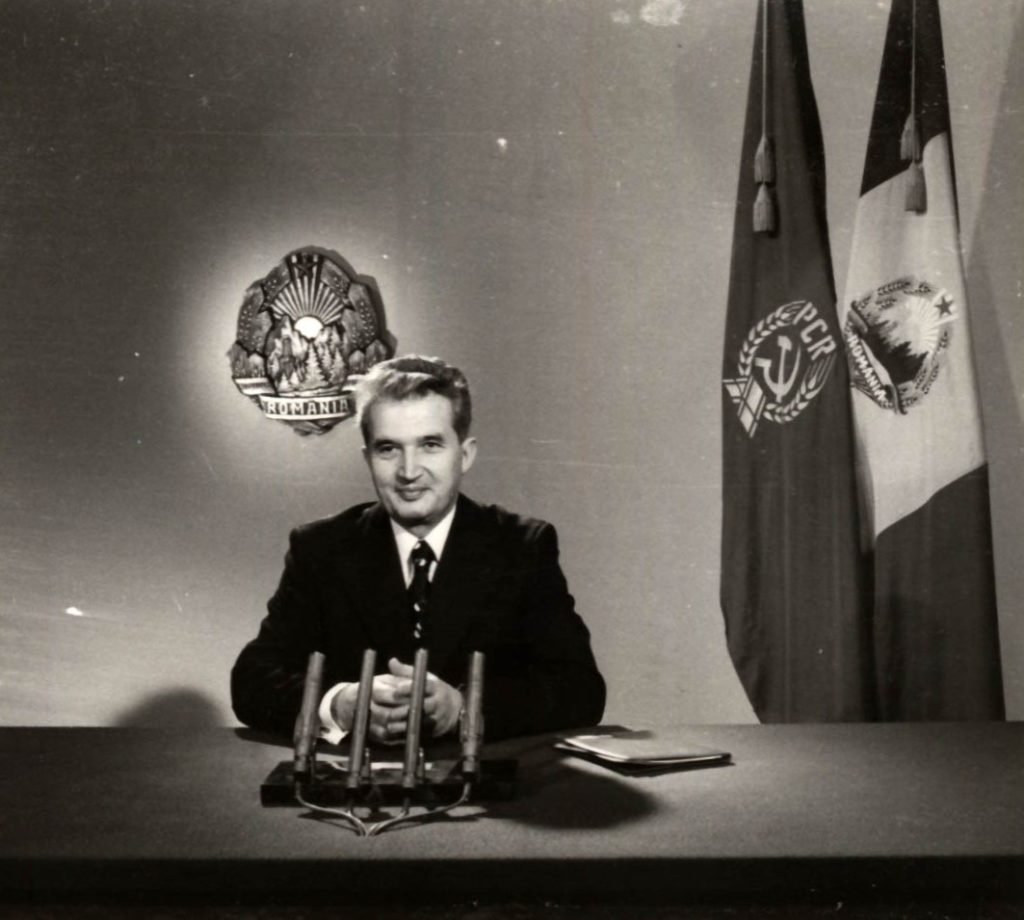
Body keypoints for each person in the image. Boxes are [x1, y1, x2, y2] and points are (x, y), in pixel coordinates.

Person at [231, 355, 605, 745]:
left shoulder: (522, 547)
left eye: (429, 445)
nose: (409, 471)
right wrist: (341, 704)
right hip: (354, 789)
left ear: (465, 454)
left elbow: (580, 688)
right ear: (367, 459)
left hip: (485, 793)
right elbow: (253, 678)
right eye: (388, 449)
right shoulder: (321, 549)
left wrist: (463, 707)